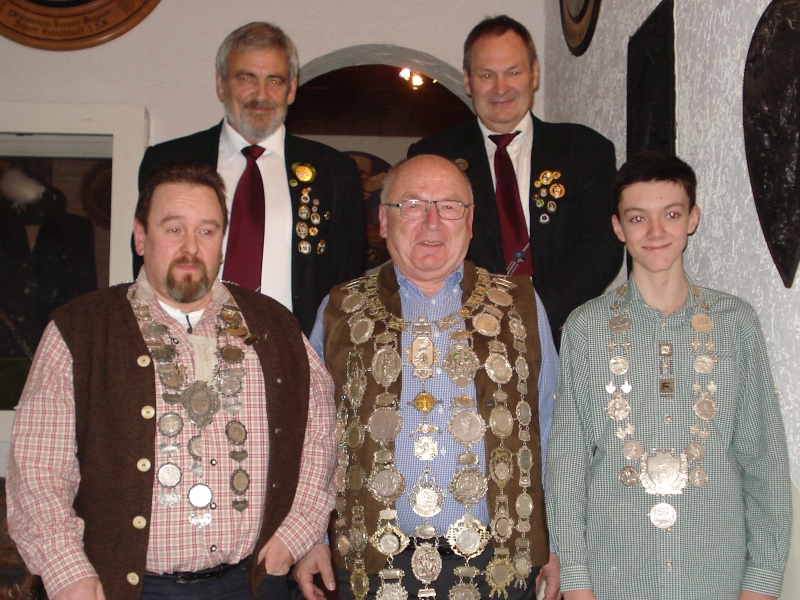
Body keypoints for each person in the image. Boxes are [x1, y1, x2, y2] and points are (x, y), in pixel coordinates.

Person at [7, 162, 337, 600]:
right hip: (128, 589)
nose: (190, 247)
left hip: (254, 582)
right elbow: (38, 470)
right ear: (140, 237)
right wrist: (67, 572)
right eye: (173, 229)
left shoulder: (275, 325)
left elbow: (321, 436)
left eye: (206, 231)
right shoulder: (80, 329)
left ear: (222, 241)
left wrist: (294, 536)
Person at [295, 154, 561, 600]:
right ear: (384, 220)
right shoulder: (339, 308)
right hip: (371, 564)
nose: (432, 221)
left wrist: (555, 542)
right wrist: (312, 538)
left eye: (449, 206)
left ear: (470, 221)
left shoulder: (521, 304)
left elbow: (551, 428)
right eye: (413, 205)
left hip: (499, 562)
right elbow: (312, 436)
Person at [545, 151, 791, 600]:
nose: (655, 232)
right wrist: (577, 580)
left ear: (692, 219)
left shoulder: (735, 323)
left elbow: (764, 460)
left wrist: (762, 582)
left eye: (671, 214)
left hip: (714, 575)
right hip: (614, 574)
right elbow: (568, 461)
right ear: (618, 227)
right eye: (638, 218)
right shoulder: (585, 327)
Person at [135, 22, 364, 336]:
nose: (261, 95)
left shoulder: (334, 172)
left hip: (294, 351)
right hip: (187, 345)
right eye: (246, 78)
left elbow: (347, 285)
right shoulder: (167, 161)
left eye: (274, 80)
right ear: (221, 84)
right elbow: (146, 264)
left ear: (291, 89)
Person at [408, 15, 622, 347]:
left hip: (563, 337)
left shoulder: (584, 150)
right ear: (467, 80)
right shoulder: (432, 157)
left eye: (513, 72)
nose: (500, 88)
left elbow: (601, 247)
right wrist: (485, 321)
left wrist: (531, 315)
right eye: (486, 75)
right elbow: (423, 249)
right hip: (464, 340)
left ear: (534, 74)